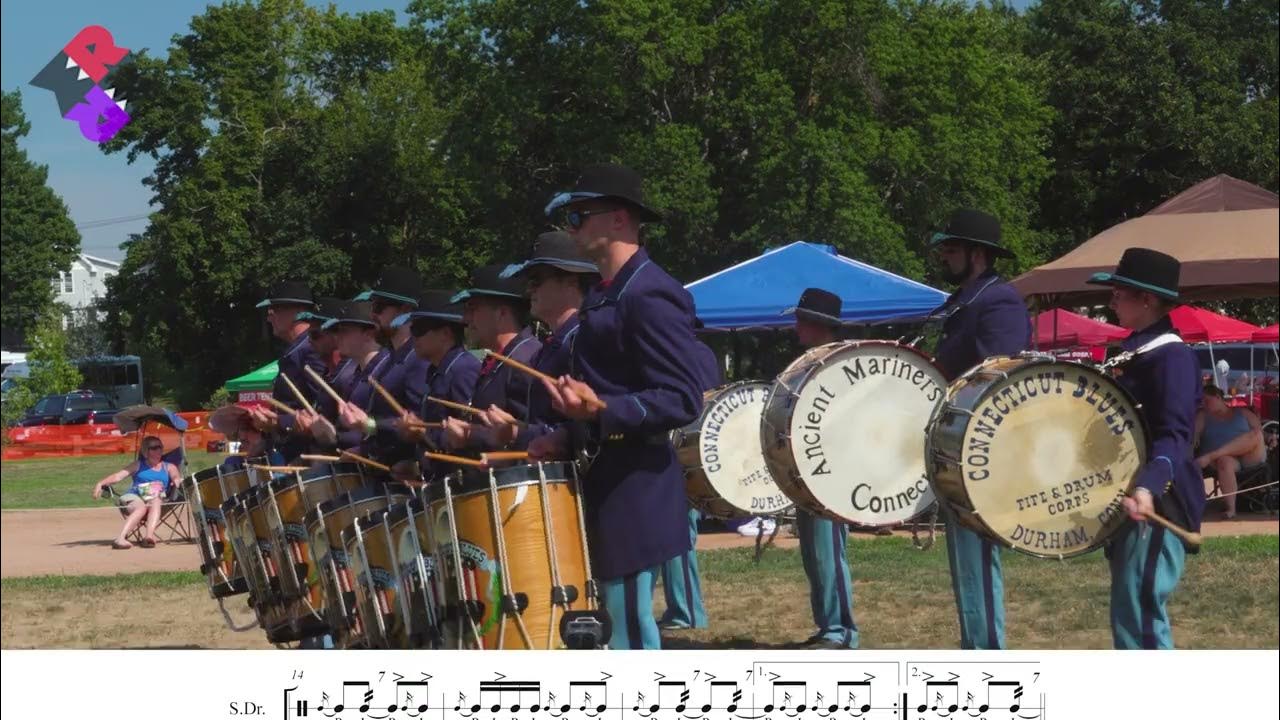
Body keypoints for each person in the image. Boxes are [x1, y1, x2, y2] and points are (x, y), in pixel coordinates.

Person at [531, 163, 705, 649]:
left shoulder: (649, 293)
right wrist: (565, 433)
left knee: (628, 636)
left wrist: (599, 408)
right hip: (607, 481)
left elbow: (681, 397)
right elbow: (607, 391)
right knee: (612, 631)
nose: (572, 227)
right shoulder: (607, 294)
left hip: (636, 490)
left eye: (580, 215)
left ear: (620, 220)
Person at [1087, 247, 1202, 649]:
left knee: (1141, 614)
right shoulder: (1132, 350)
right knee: (1129, 614)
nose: (1112, 300)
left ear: (1147, 299)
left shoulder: (1173, 358)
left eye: (1119, 293)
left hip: (1158, 503)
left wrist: (1147, 487)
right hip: (1132, 499)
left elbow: (1175, 434)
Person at [928, 209, 1031, 649]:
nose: (944, 254)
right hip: (955, 440)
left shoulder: (999, 299)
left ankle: (986, 648)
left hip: (981, 442)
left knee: (975, 552)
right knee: (963, 554)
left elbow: (999, 374)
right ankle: (977, 641)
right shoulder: (963, 300)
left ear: (978, 253)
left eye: (952, 246)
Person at [780, 287, 859, 649]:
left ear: (817, 324)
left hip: (831, 471)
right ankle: (827, 623)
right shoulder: (809, 361)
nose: (795, 327)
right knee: (814, 553)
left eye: (800, 320)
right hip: (806, 472)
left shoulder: (838, 362)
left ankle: (842, 630)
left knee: (828, 550)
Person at [479, 230, 598, 450]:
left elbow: (593, 423)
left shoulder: (585, 339)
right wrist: (513, 433)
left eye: (536, 280)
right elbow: (543, 424)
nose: (529, 289)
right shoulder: (548, 347)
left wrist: (516, 433)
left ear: (571, 282)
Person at [656, 326, 718, 632]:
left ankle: (688, 610)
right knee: (677, 533)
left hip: (683, 450)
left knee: (679, 533)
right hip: (694, 450)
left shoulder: (686, 354)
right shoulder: (701, 352)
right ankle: (682, 608)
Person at [441, 265, 539, 451]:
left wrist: (471, 436)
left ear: (501, 313)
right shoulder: (501, 358)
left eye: (473, 308)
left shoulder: (524, 360)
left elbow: (530, 438)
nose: (465, 319)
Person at [389, 290, 483, 481]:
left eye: (419, 330)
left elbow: (471, 433)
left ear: (445, 334)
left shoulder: (463, 369)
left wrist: (423, 431)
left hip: (463, 485)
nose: (413, 336)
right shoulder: (436, 370)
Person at [351, 267, 430, 466]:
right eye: (372, 307)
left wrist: (370, 425)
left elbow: (421, 421)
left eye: (379, 307)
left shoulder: (417, 359)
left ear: (405, 310)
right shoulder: (390, 360)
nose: (372, 315)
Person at [247, 281, 327, 462]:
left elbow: (323, 407)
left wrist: (278, 422)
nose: (269, 317)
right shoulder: (297, 349)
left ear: (298, 312)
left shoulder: (310, 349)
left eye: (274, 310)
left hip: (309, 457)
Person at [92, 435, 183, 550]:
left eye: (160, 446)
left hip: (156, 499)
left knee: (156, 498)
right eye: (154, 447)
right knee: (141, 507)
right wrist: (100, 483)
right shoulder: (139, 464)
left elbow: (175, 476)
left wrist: (176, 480)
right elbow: (118, 476)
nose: (158, 449)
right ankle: (120, 538)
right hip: (134, 496)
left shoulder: (168, 466)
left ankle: (149, 536)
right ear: (146, 451)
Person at [1195, 384, 1266, 518]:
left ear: (1218, 397)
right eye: (1202, 402)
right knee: (1224, 461)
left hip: (1248, 456)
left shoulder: (1243, 413)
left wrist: (1271, 438)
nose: (1204, 404)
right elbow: (1194, 436)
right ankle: (1231, 509)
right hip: (1227, 461)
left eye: (1207, 401)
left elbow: (1261, 433)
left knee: (1256, 434)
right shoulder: (1203, 416)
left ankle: (1213, 455)